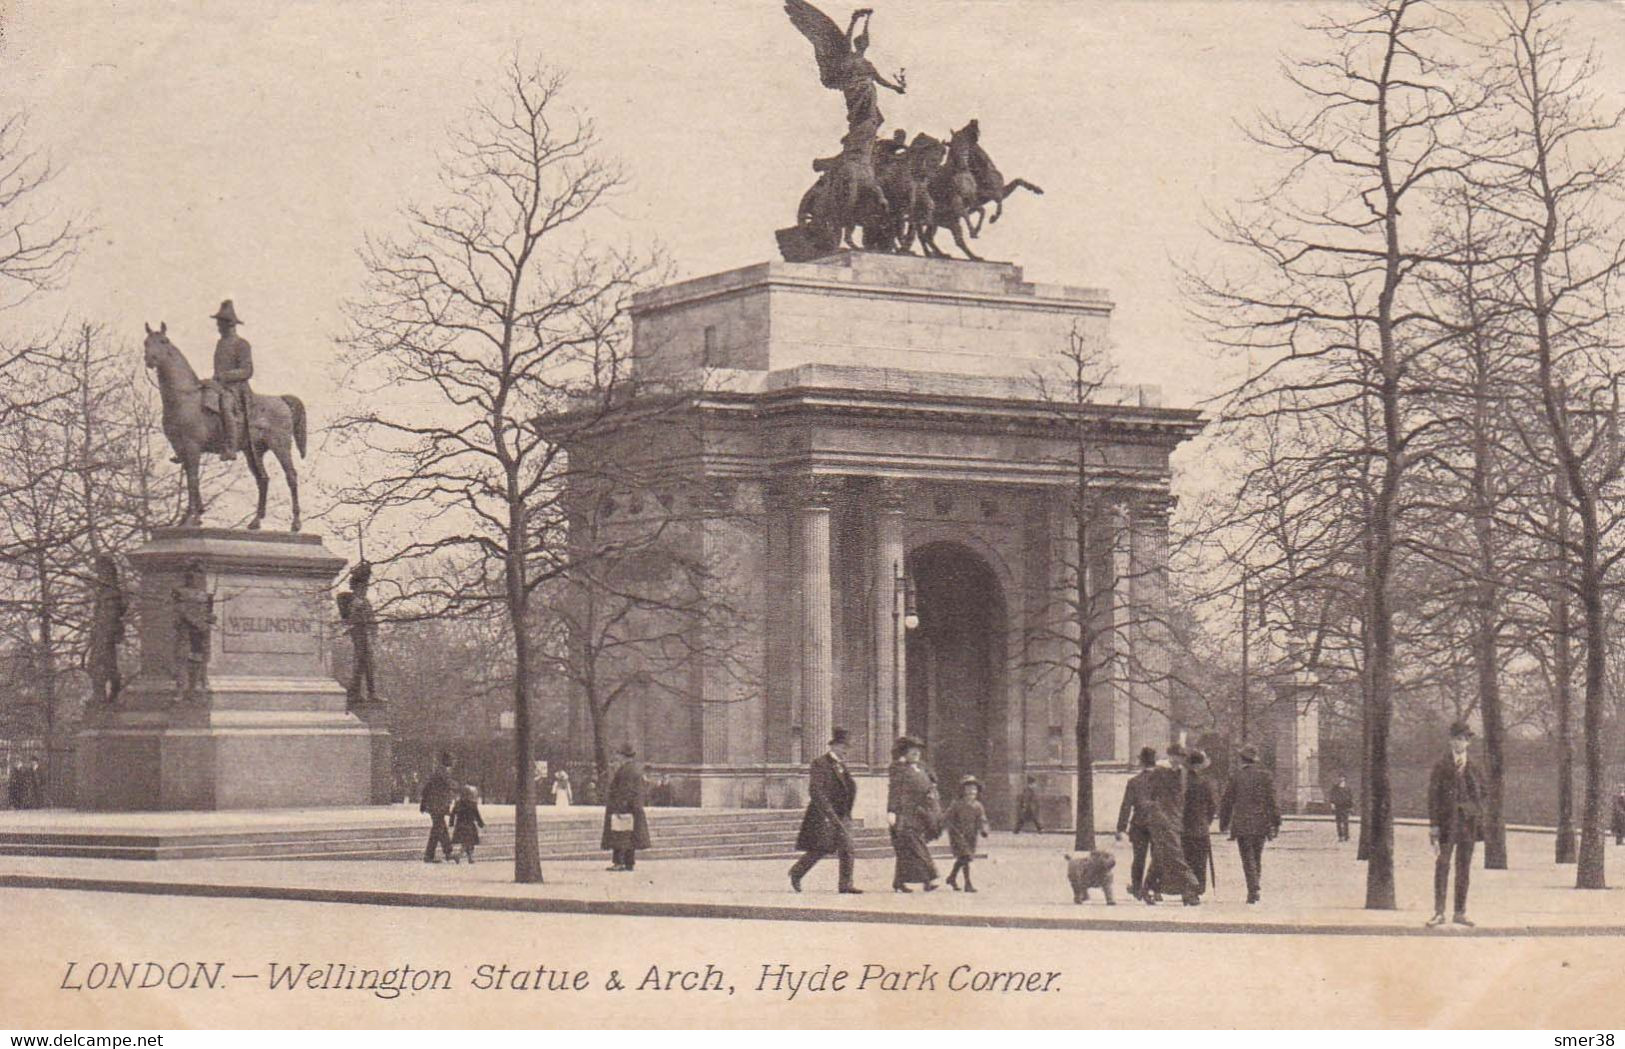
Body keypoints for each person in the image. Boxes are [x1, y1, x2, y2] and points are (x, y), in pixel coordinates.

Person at [789, 727, 862, 894]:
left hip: (842, 814)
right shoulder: (820, 763)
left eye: (848, 748)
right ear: (834, 746)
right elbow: (816, 791)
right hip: (824, 815)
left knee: (848, 848)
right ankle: (797, 872)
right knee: (820, 848)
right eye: (844, 747)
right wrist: (828, 814)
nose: (846, 751)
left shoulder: (842, 765)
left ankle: (845, 885)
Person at [1427, 720, 1484, 928]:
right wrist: (1434, 824)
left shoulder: (1475, 766)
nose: (1461, 743)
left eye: (1465, 739)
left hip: (1467, 825)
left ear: (1468, 743)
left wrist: (1473, 812)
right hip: (1445, 824)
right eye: (1457, 738)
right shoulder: (1441, 765)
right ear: (1451, 740)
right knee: (1442, 865)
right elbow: (1433, 796)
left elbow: (1483, 794)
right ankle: (1439, 912)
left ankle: (1460, 911)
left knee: (1464, 868)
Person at [1139, 744, 1202, 906]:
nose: (1180, 760)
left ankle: (1145, 888)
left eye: (1182, 757)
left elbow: (1182, 798)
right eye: (1178, 756)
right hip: (1161, 822)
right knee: (1176, 855)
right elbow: (1146, 797)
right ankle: (1192, 885)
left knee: (1161, 856)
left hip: (1175, 820)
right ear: (1170, 756)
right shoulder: (1159, 773)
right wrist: (1158, 813)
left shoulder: (1182, 773)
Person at [1219, 743, 1281, 905]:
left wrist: (1223, 823)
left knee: (1247, 857)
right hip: (1261, 822)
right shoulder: (1265, 776)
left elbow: (1227, 801)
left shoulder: (1236, 776)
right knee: (1257, 855)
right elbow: (1272, 801)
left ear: (1241, 759)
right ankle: (1255, 887)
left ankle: (1253, 889)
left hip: (1242, 823)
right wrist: (1276, 822)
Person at [886, 735, 941, 893]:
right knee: (916, 846)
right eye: (912, 750)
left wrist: (932, 794)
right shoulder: (899, 768)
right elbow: (894, 791)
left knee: (906, 849)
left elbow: (932, 784)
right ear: (904, 752)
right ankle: (928, 880)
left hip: (921, 814)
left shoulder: (922, 768)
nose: (916, 753)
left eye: (918, 750)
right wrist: (891, 811)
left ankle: (899, 882)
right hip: (905, 814)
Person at [208, 300, 254, 460]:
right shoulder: (220, 344)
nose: (218, 327)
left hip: (236, 388)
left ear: (230, 324)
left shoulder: (242, 344)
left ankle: (231, 446)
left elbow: (247, 371)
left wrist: (226, 376)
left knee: (225, 405)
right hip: (219, 385)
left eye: (221, 323)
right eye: (218, 323)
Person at [1115, 746, 1159, 900]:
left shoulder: (1134, 781)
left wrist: (1120, 828)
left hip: (1139, 824)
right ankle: (1155, 888)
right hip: (1158, 824)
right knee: (1157, 857)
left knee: (1138, 857)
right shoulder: (1162, 781)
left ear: (1141, 762)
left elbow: (1126, 805)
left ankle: (1137, 887)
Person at [601, 743, 650, 871]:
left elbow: (624, 791)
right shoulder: (635, 769)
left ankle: (619, 862)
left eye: (618, 754)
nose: (617, 757)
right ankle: (629, 862)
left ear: (623, 756)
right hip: (632, 809)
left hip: (623, 808)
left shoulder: (625, 771)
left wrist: (619, 807)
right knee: (629, 836)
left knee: (620, 834)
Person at [944, 775, 991, 892]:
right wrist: (953, 828)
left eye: (974, 789)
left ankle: (951, 877)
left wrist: (984, 830)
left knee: (963, 858)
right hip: (958, 835)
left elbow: (982, 819)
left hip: (971, 836)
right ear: (963, 790)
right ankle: (967, 884)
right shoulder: (957, 804)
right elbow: (948, 818)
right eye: (968, 789)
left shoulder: (978, 806)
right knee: (965, 857)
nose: (972, 791)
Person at [1182, 749, 1217, 898]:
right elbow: (1212, 806)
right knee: (1200, 860)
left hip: (1184, 826)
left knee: (1186, 859)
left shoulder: (1182, 782)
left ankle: (1187, 889)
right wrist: (1206, 821)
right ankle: (1198, 889)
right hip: (1201, 827)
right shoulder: (1205, 782)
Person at [419, 752, 457, 864]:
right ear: (447, 761)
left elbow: (427, 788)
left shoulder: (439, 771)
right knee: (438, 829)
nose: (454, 762)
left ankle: (436, 854)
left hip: (435, 806)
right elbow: (451, 785)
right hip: (437, 806)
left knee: (439, 829)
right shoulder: (442, 772)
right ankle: (445, 853)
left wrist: (424, 804)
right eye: (452, 759)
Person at [449, 784, 485, 864]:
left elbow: (453, 813)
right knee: (468, 842)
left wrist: (451, 823)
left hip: (460, 825)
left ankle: (469, 857)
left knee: (466, 842)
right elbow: (477, 815)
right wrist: (481, 824)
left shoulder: (458, 803)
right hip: (469, 825)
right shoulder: (472, 804)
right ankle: (460, 855)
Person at [1328, 774, 1355, 843]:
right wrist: (1332, 804)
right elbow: (1332, 796)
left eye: (1342, 777)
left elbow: (1351, 797)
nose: (1341, 779)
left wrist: (1351, 806)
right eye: (1339, 777)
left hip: (1345, 806)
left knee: (1346, 822)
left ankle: (1346, 836)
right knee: (1339, 822)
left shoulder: (1348, 787)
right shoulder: (1335, 787)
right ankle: (1340, 836)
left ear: (1345, 778)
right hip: (1338, 806)